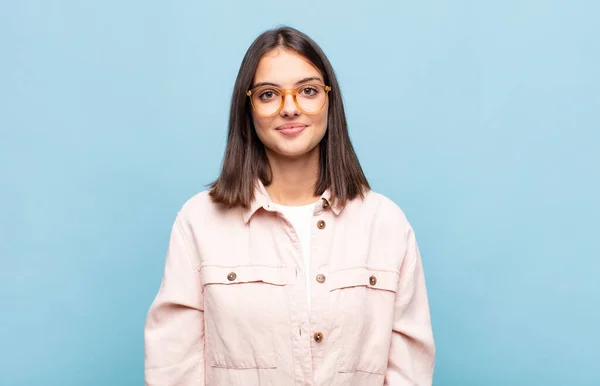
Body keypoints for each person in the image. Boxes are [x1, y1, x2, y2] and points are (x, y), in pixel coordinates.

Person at [144, 26, 435, 386]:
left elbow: (410, 371)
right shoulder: (199, 221)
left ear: (330, 100)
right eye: (268, 95)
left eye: (308, 91)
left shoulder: (386, 223)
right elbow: (173, 368)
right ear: (247, 108)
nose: (290, 108)